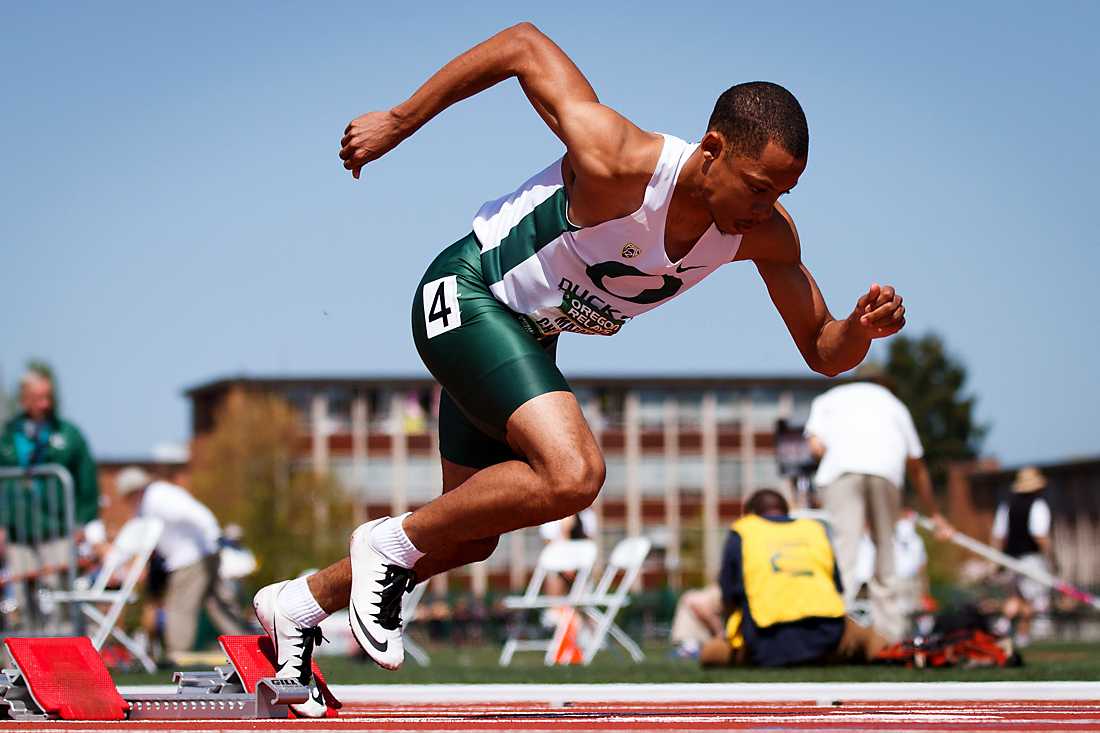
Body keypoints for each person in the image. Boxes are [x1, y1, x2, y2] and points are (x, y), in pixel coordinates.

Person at [253, 22, 909, 715]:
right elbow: (523, 45)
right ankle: (384, 545)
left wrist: (860, 331)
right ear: (713, 149)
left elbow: (820, 348)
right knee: (574, 473)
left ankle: (297, 604)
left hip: (524, 341)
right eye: (756, 187)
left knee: (469, 534)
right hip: (467, 295)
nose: (764, 208)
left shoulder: (764, 233)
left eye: (782, 192)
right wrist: (398, 120)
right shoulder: (619, 159)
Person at [804, 378, 951, 641]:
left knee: (844, 549)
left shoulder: (828, 398)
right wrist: (935, 513)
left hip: (841, 472)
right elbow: (916, 465)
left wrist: (839, 451)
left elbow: (815, 446)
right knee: (885, 548)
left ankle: (836, 633)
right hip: (885, 471)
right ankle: (890, 636)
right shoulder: (895, 404)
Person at [700, 489, 888, 667]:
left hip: (767, 644)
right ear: (786, 511)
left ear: (750, 514)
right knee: (871, 639)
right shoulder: (815, 530)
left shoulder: (743, 532)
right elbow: (837, 588)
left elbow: (728, 596)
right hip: (829, 637)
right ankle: (891, 654)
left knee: (710, 653)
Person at [0, 367, 100, 630]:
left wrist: (82, 521)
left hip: (58, 528)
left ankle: (66, 654)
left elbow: (88, 481)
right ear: (24, 399)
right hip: (18, 531)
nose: (44, 404)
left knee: (62, 594)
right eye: (37, 398)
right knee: (22, 595)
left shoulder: (68, 434)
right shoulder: (8, 435)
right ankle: (25, 658)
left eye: (48, 397)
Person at [114, 467, 248, 662]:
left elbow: (195, 513)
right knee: (218, 605)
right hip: (200, 554)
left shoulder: (159, 498)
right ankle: (246, 647)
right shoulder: (151, 501)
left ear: (134, 491)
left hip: (191, 559)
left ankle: (177, 655)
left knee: (179, 607)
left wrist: (214, 536)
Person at [991, 466, 1054, 647]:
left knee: (1015, 597)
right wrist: (1051, 558)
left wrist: (997, 560)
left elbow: (998, 535)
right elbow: (1040, 535)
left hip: (1010, 558)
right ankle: (1023, 635)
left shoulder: (1007, 505)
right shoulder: (1038, 505)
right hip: (1030, 558)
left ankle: (1001, 628)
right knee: (1030, 598)